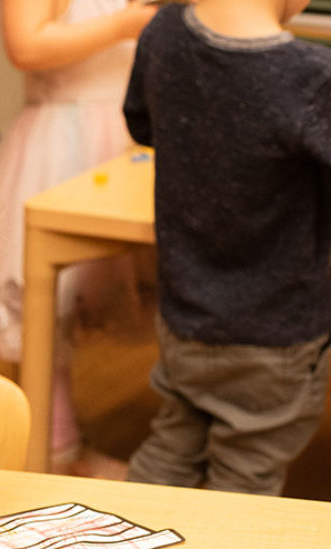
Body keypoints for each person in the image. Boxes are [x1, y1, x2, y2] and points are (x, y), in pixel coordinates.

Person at [123, 0, 331, 496]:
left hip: (184, 314)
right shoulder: (311, 76)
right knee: (245, 477)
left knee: (171, 444)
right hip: (277, 335)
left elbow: (142, 124)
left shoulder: (164, 31)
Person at [0, 0, 158, 477]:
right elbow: (26, 45)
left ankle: (168, 442)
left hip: (125, 136)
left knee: (127, 291)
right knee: (46, 304)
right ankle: (56, 449)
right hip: (62, 140)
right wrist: (124, 24)